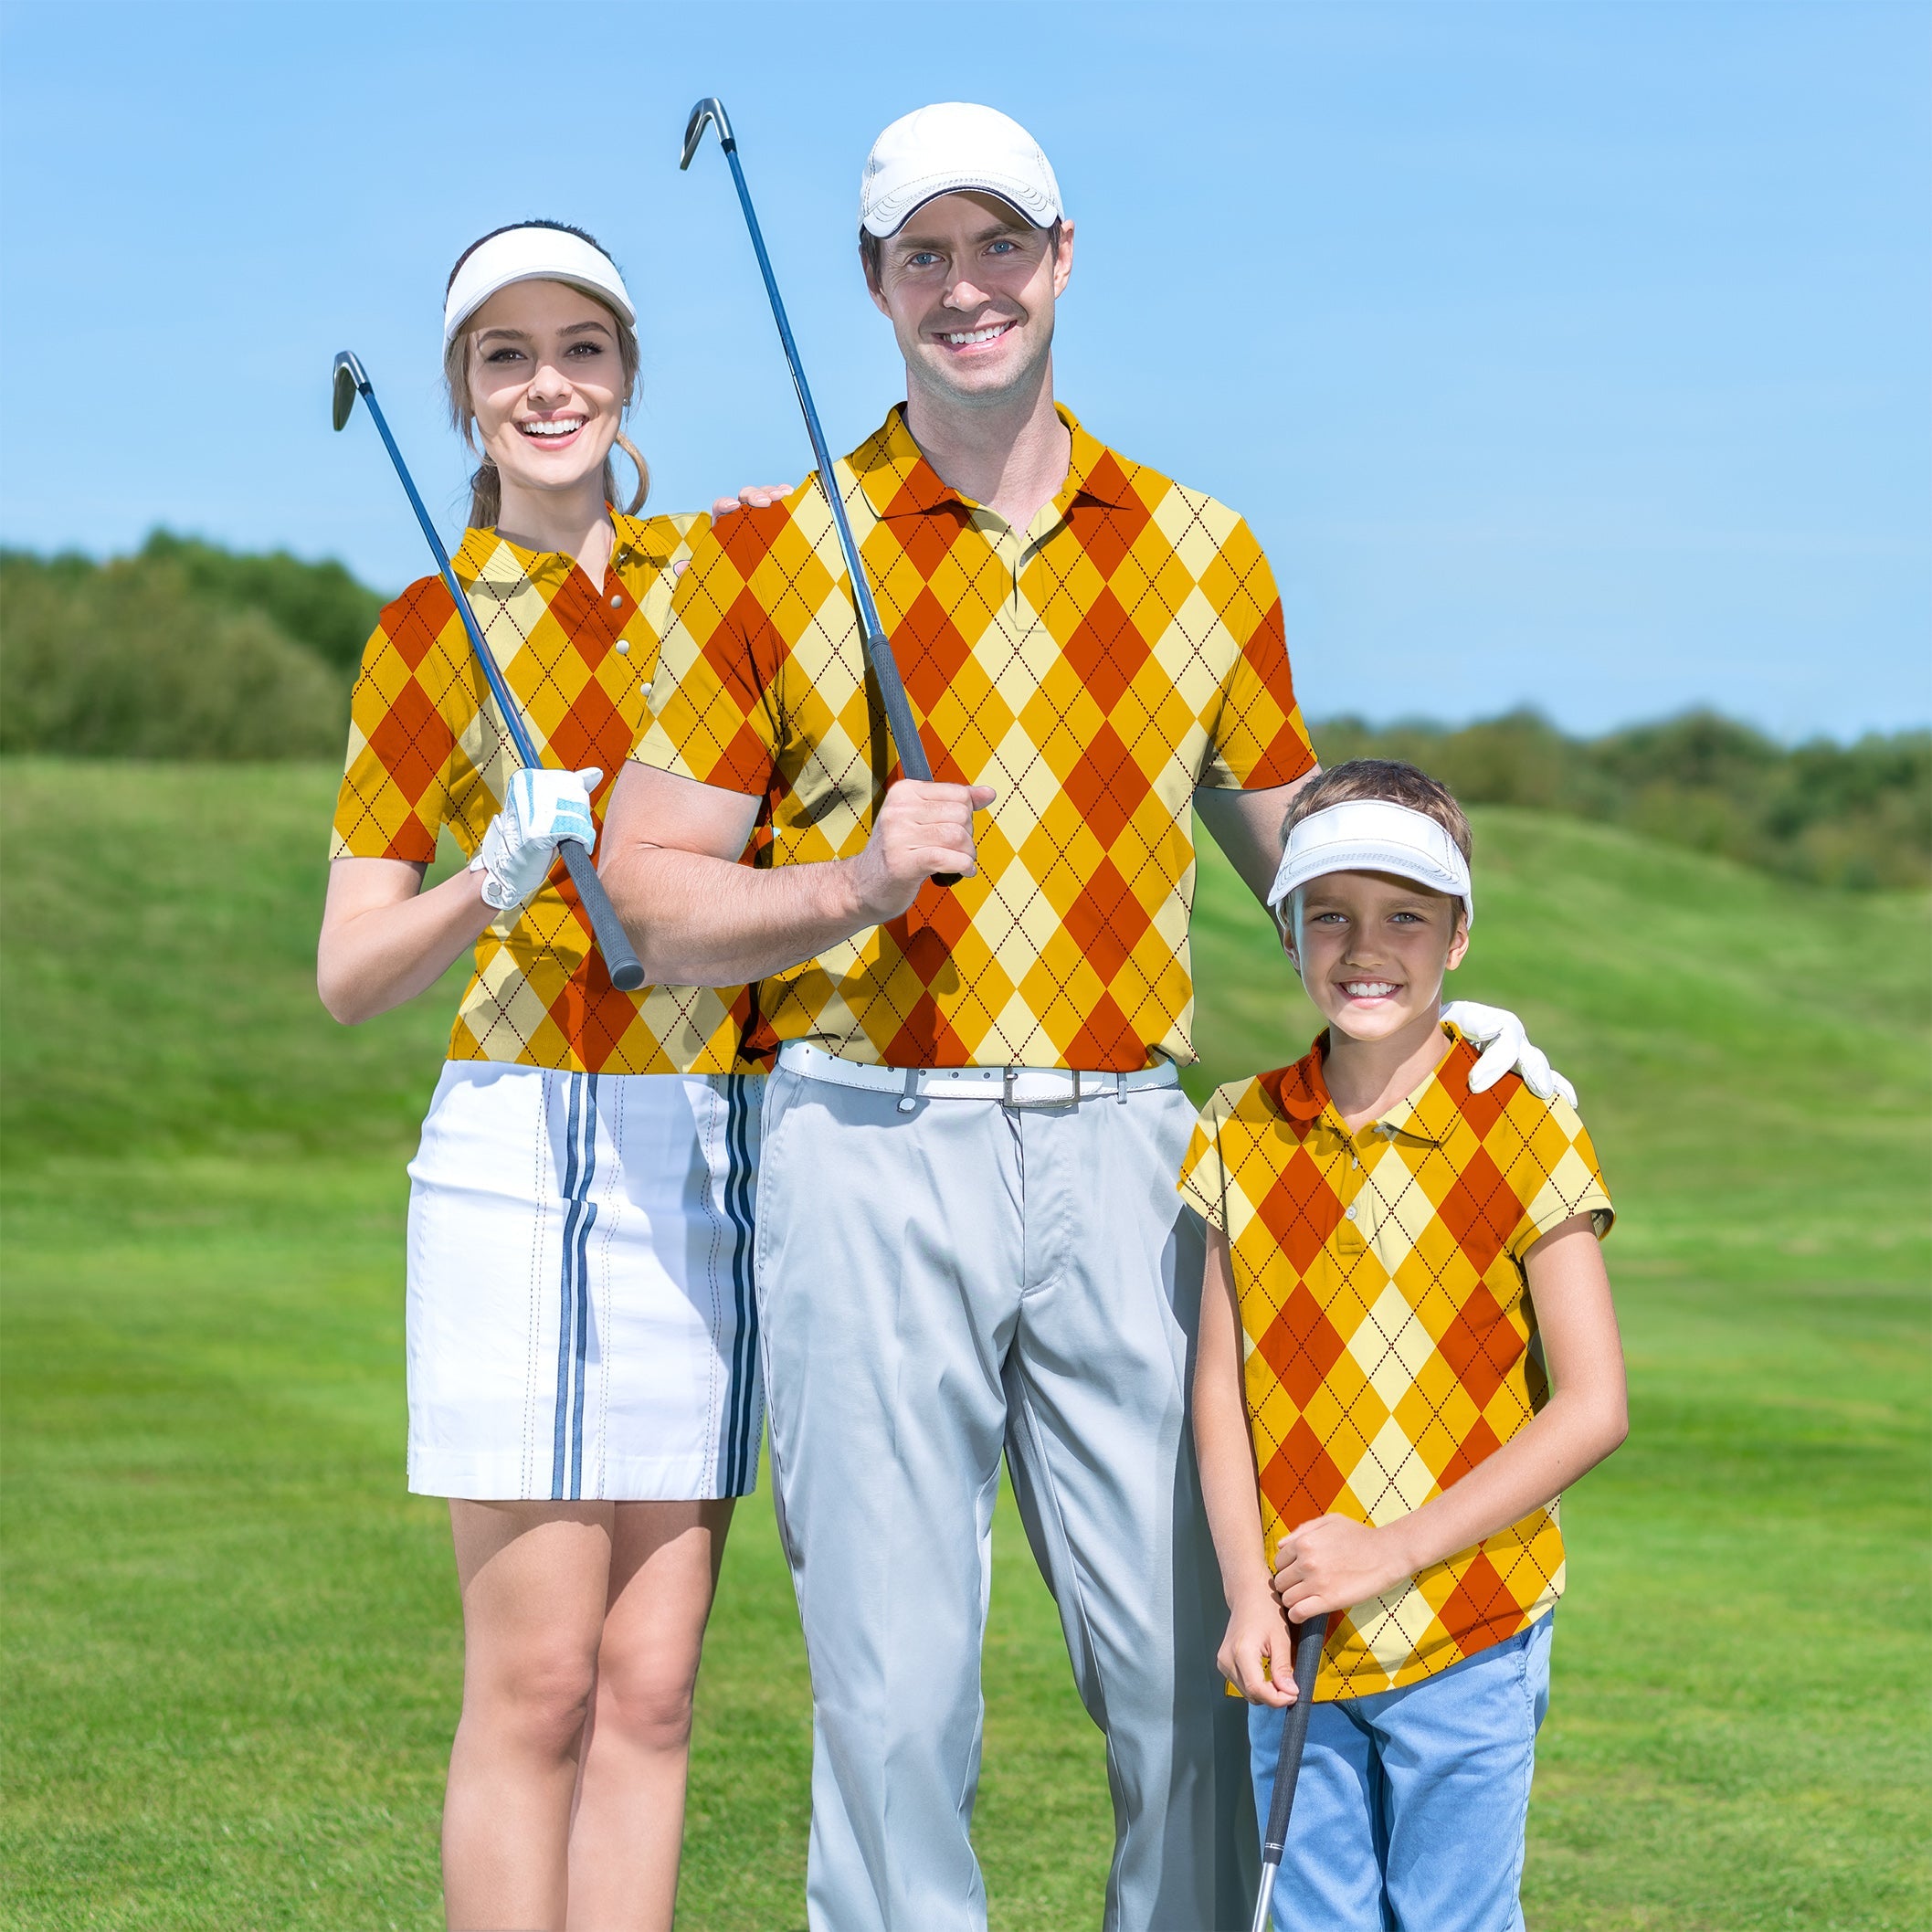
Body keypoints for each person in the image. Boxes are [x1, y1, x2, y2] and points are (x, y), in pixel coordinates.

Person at [600, 106, 1568, 1932]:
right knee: (894, 1699)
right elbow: (646, 898)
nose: (965, 289)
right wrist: (839, 887)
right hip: (862, 1135)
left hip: (1134, 1155)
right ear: (875, 286)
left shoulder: (1205, 554)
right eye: (922, 256)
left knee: (1199, 1671)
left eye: (998, 246)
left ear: (1060, 257)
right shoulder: (771, 551)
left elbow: (1313, 866)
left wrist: (1457, 993)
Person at [318, 220, 783, 1932]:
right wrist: (485, 879)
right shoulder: (421, 630)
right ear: (462, 394)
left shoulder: (724, 598)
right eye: (505, 356)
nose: (547, 385)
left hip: (698, 1151)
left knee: (653, 1685)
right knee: (538, 1686)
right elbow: (350, 973)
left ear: (628, 375)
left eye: (578, 349)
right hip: (516, 1150)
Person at [1183, 759, 1630, 1931]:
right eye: (1328, 913)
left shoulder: (1526, 1127)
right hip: (1298, 1636)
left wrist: (1391, 1552)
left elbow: (1593, 1406)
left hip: (1470, 1624)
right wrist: (1245, 1594)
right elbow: (1218, 1396)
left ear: (1458, 938)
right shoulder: (1239, 1128)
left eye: (1404, 917)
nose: (1363, 946)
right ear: (1286, 929)